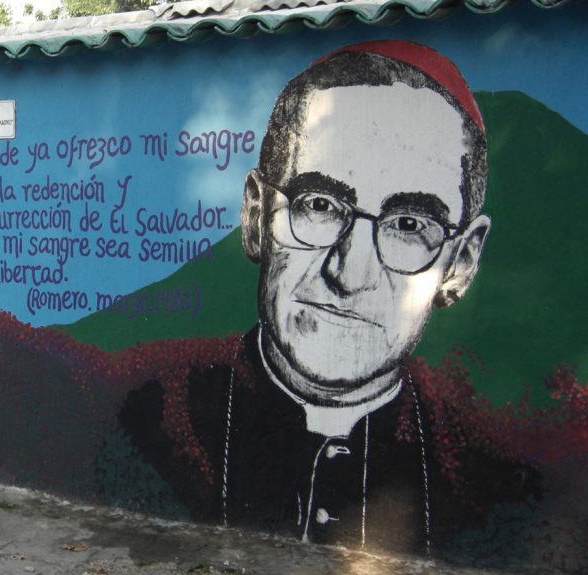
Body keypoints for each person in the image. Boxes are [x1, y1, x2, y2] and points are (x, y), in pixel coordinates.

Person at [118, 40, 539, 555]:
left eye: (409, 224)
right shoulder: (144, 423)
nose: (349, 271)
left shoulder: (501, 488)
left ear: (460, 263)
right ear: (256, 217)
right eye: (320, 204)